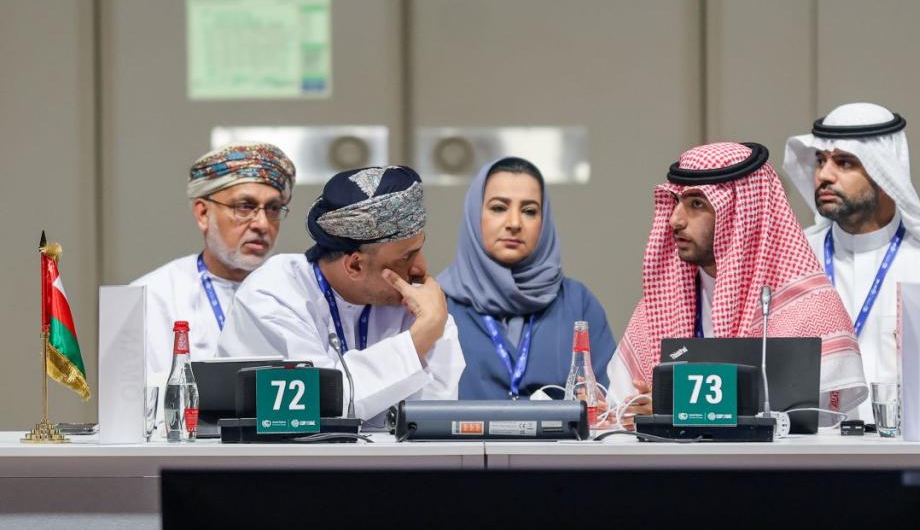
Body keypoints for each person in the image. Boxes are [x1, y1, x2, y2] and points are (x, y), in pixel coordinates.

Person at [608, 142, 867, 418]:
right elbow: (619, 411)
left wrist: (680, 407)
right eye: (676, 203)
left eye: (696, 204)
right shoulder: (658, 306)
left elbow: (824, 426)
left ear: (742, 215)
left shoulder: (810, 309)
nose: (675, 220)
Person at [783, 103, 920, 427]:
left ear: (884, 171)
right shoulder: (793, 260)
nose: (824, 175)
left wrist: (912, 448)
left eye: (844, 162)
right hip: (812, 459)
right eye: (820, 161)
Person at [216, 165, 465, 424]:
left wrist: (431, 325)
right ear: (355, 265)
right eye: (406, 257)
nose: (421, 269)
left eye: (419, 249)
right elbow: (315, 409)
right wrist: (420, 337)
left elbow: (434, 422)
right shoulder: (273, 294)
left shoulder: (419, 305)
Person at [438, 157, 615, 400]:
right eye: (499, 208)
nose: (514, 223)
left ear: (544, 221)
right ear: (474, 214)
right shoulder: (438, 303)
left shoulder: (577, 303)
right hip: (460, 439)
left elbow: (609, 400)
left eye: (529, 211)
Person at [133, 143, 295, 386]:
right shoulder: (151, 297)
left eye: (273, 208)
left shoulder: (299, 292)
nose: (262, 224)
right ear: (202, 214)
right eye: (245, 207)